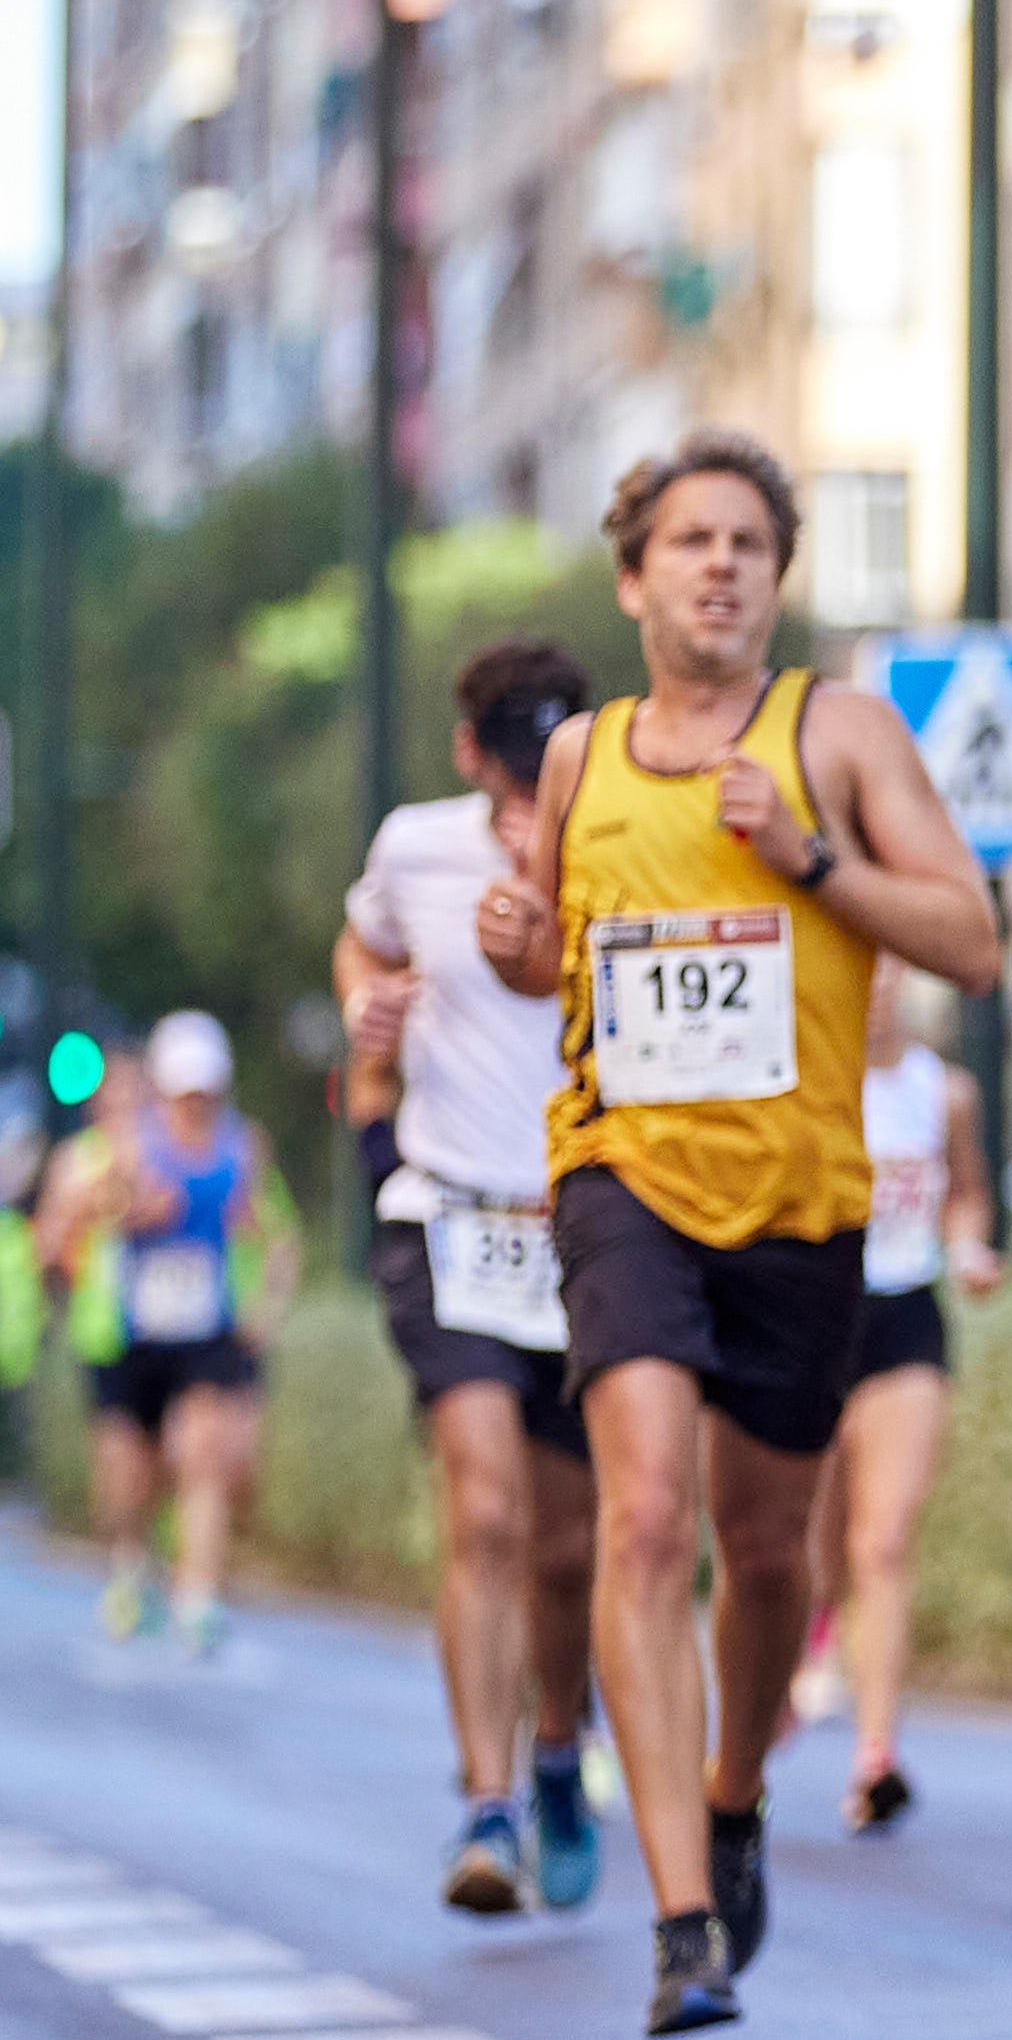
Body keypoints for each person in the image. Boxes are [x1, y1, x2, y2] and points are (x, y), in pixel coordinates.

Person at [477, 428, 1000, 2037]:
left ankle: (732, 1789)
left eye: (749, 546)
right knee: (646, 1519)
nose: (721, 566)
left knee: (768, 1548)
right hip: (621, 1178)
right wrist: (513, 945)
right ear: (634, 579)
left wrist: (811, 858)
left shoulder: (831, 732)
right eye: (691, 542)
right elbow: (553, 963)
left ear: (777, 579)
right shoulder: (584, 759)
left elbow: (971, 937)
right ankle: (681, 1918)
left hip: (800, 1202)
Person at [339, 637, 605, 1915]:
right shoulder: (415, 847)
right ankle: (484, 1804)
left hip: (586, 1231)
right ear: (469, 755)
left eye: (541, 764)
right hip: (446, 1213)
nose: (518, 795)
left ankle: (559, 1746)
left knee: (569, 1549)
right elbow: (361, 941)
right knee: (486, 1510)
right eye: (505, 765)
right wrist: (369, 1009)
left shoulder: (621, 841)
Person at [801, 962, 1002, 1833]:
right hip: (811, 1318)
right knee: (809, 1549)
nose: (873, 986)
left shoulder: (944, 1091)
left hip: (905, 1316)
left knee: (882, 1539)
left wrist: (969, 1247)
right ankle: (809, 1630)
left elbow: (968, 1195)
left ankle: (875, 1755)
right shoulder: (801, 1080)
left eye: (887, 970)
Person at [41, 1016, 300, 1656]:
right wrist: (130, 1211)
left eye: (204, 1090)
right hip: (133, 1333)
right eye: (184, 1090)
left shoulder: (245, 1146)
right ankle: (134, 1567)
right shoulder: (128, 1144)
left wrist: (265, 1303)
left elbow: (273, 1229)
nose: (195, 1103)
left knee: (202, 1453)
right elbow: (79, 1222)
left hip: (206, 1329)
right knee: (132, 1471)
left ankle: (198, 1596)